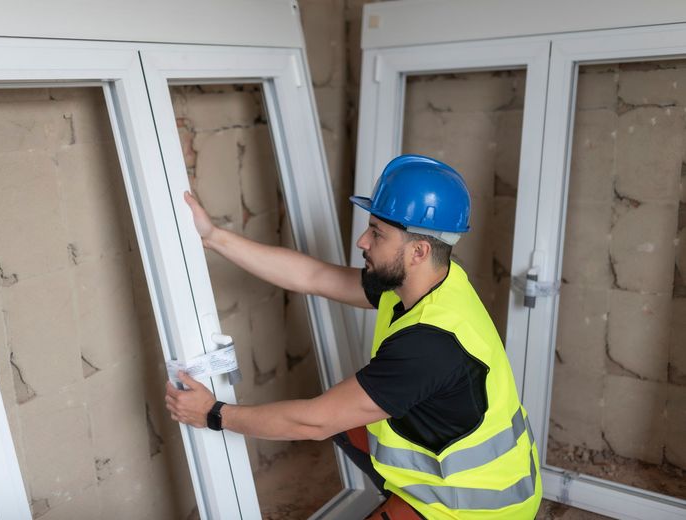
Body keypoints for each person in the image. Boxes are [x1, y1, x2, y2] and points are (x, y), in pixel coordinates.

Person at [166, 154, 542, 519]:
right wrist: (213, 236)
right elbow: (313, 278)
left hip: (479, 508)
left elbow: (314, 422)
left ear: (419, 250)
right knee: (349, 413)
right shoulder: (432, 281)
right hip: (471, 476)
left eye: (377, 233)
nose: (363, 240)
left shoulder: (431, 343)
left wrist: (214, 414)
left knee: (332, 413)